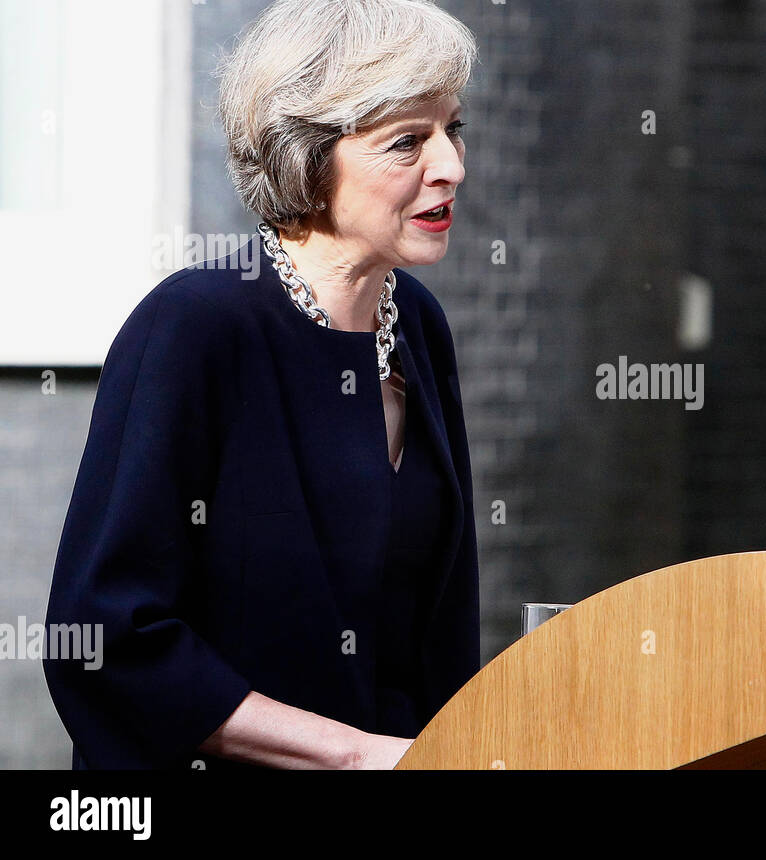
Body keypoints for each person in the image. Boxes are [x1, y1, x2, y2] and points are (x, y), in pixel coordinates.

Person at [42, 0, 480, 769]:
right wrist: (352, 755)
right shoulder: (192, 328)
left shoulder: (417, 323)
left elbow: (434, 636)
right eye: (407, 141)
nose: (451, 166)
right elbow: (106, 642)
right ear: (308, 159)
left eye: (453, 128)